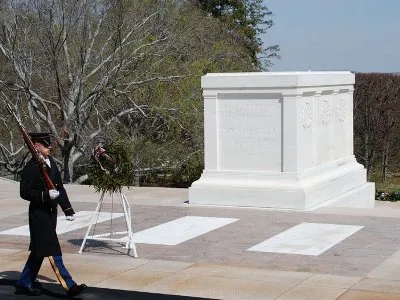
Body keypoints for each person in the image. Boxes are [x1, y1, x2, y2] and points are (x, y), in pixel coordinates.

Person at [15, 132, 86, 297]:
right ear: (36, 146)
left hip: (50, 214)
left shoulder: (50, 162)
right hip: (39, 215)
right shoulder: (32, 167)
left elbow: (59, 187)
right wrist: (45, 195)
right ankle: (70, 286)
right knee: (53, 251)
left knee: (39, 251)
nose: (50, 147)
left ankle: (24, 282)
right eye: (46, 145)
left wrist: (67, 209)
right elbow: (25, 192)